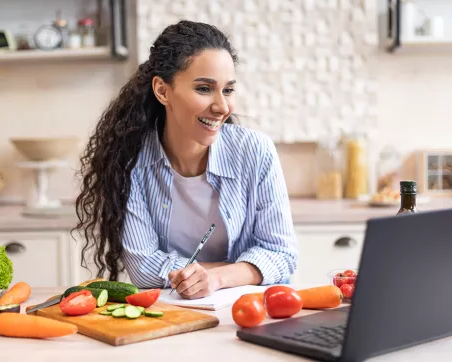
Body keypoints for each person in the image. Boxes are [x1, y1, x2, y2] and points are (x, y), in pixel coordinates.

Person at [74, 20, 297, 300]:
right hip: (177, 312)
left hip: (252, 310)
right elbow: (143, 269)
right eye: (204, 89)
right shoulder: (130, 162)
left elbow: (282, 254)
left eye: (228, 90)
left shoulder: (256, 152)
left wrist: (215, 278)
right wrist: (243, 269)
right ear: (162, 91)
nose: (222, 106)